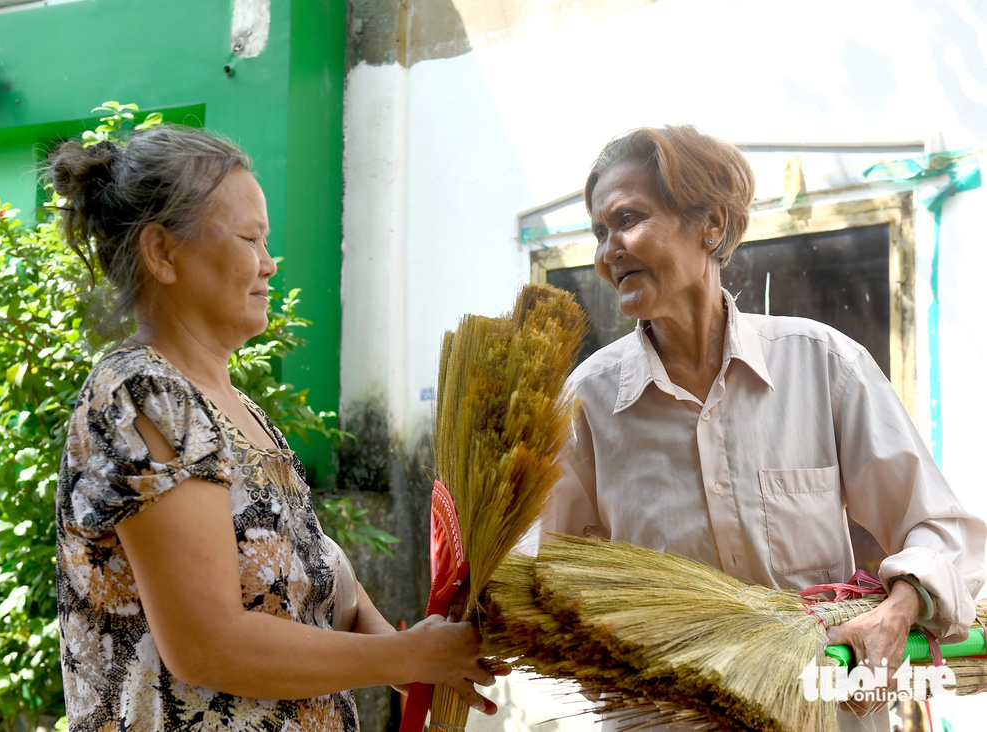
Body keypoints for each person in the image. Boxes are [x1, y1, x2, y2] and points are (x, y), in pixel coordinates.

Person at [48, 126, 498, 731]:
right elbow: (210, 646)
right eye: (250, 238)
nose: (268, 262)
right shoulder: (143, 396)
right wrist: (405, 655)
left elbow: (307, 576)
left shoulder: (237, 408)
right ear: (161, 253)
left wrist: (407, 651)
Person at [538, 125, 986, 731]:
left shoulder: (823, 364)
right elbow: (541, 574)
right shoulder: (587, 404)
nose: (607, 250)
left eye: (628, 219)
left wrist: (898, 611)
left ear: (712, 225)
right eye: (599, 232)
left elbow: (945, 531)